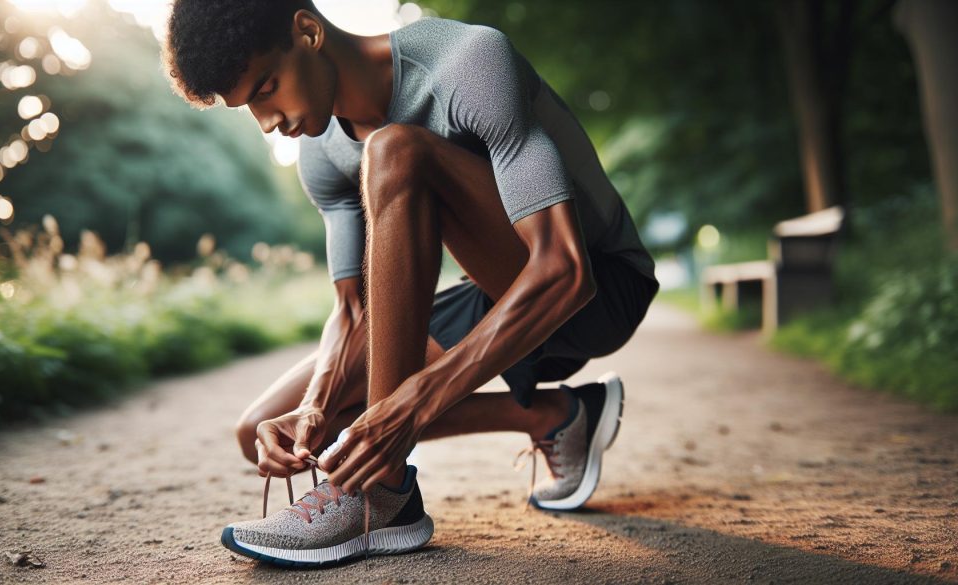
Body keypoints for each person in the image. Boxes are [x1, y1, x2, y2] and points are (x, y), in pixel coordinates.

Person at [162, 0, 658, 567]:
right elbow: (351, 310)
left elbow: (565, 271)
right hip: (491, 294)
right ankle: (556, 415)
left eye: (266, 88)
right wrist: (317, 406)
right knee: (261, 429)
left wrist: (416, 403)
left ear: (307, 31)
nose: (269, 122)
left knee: (394, 151)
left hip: (598, 288)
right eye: (248, 108)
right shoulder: (321, 151)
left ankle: (381, 493)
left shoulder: (466, 64)